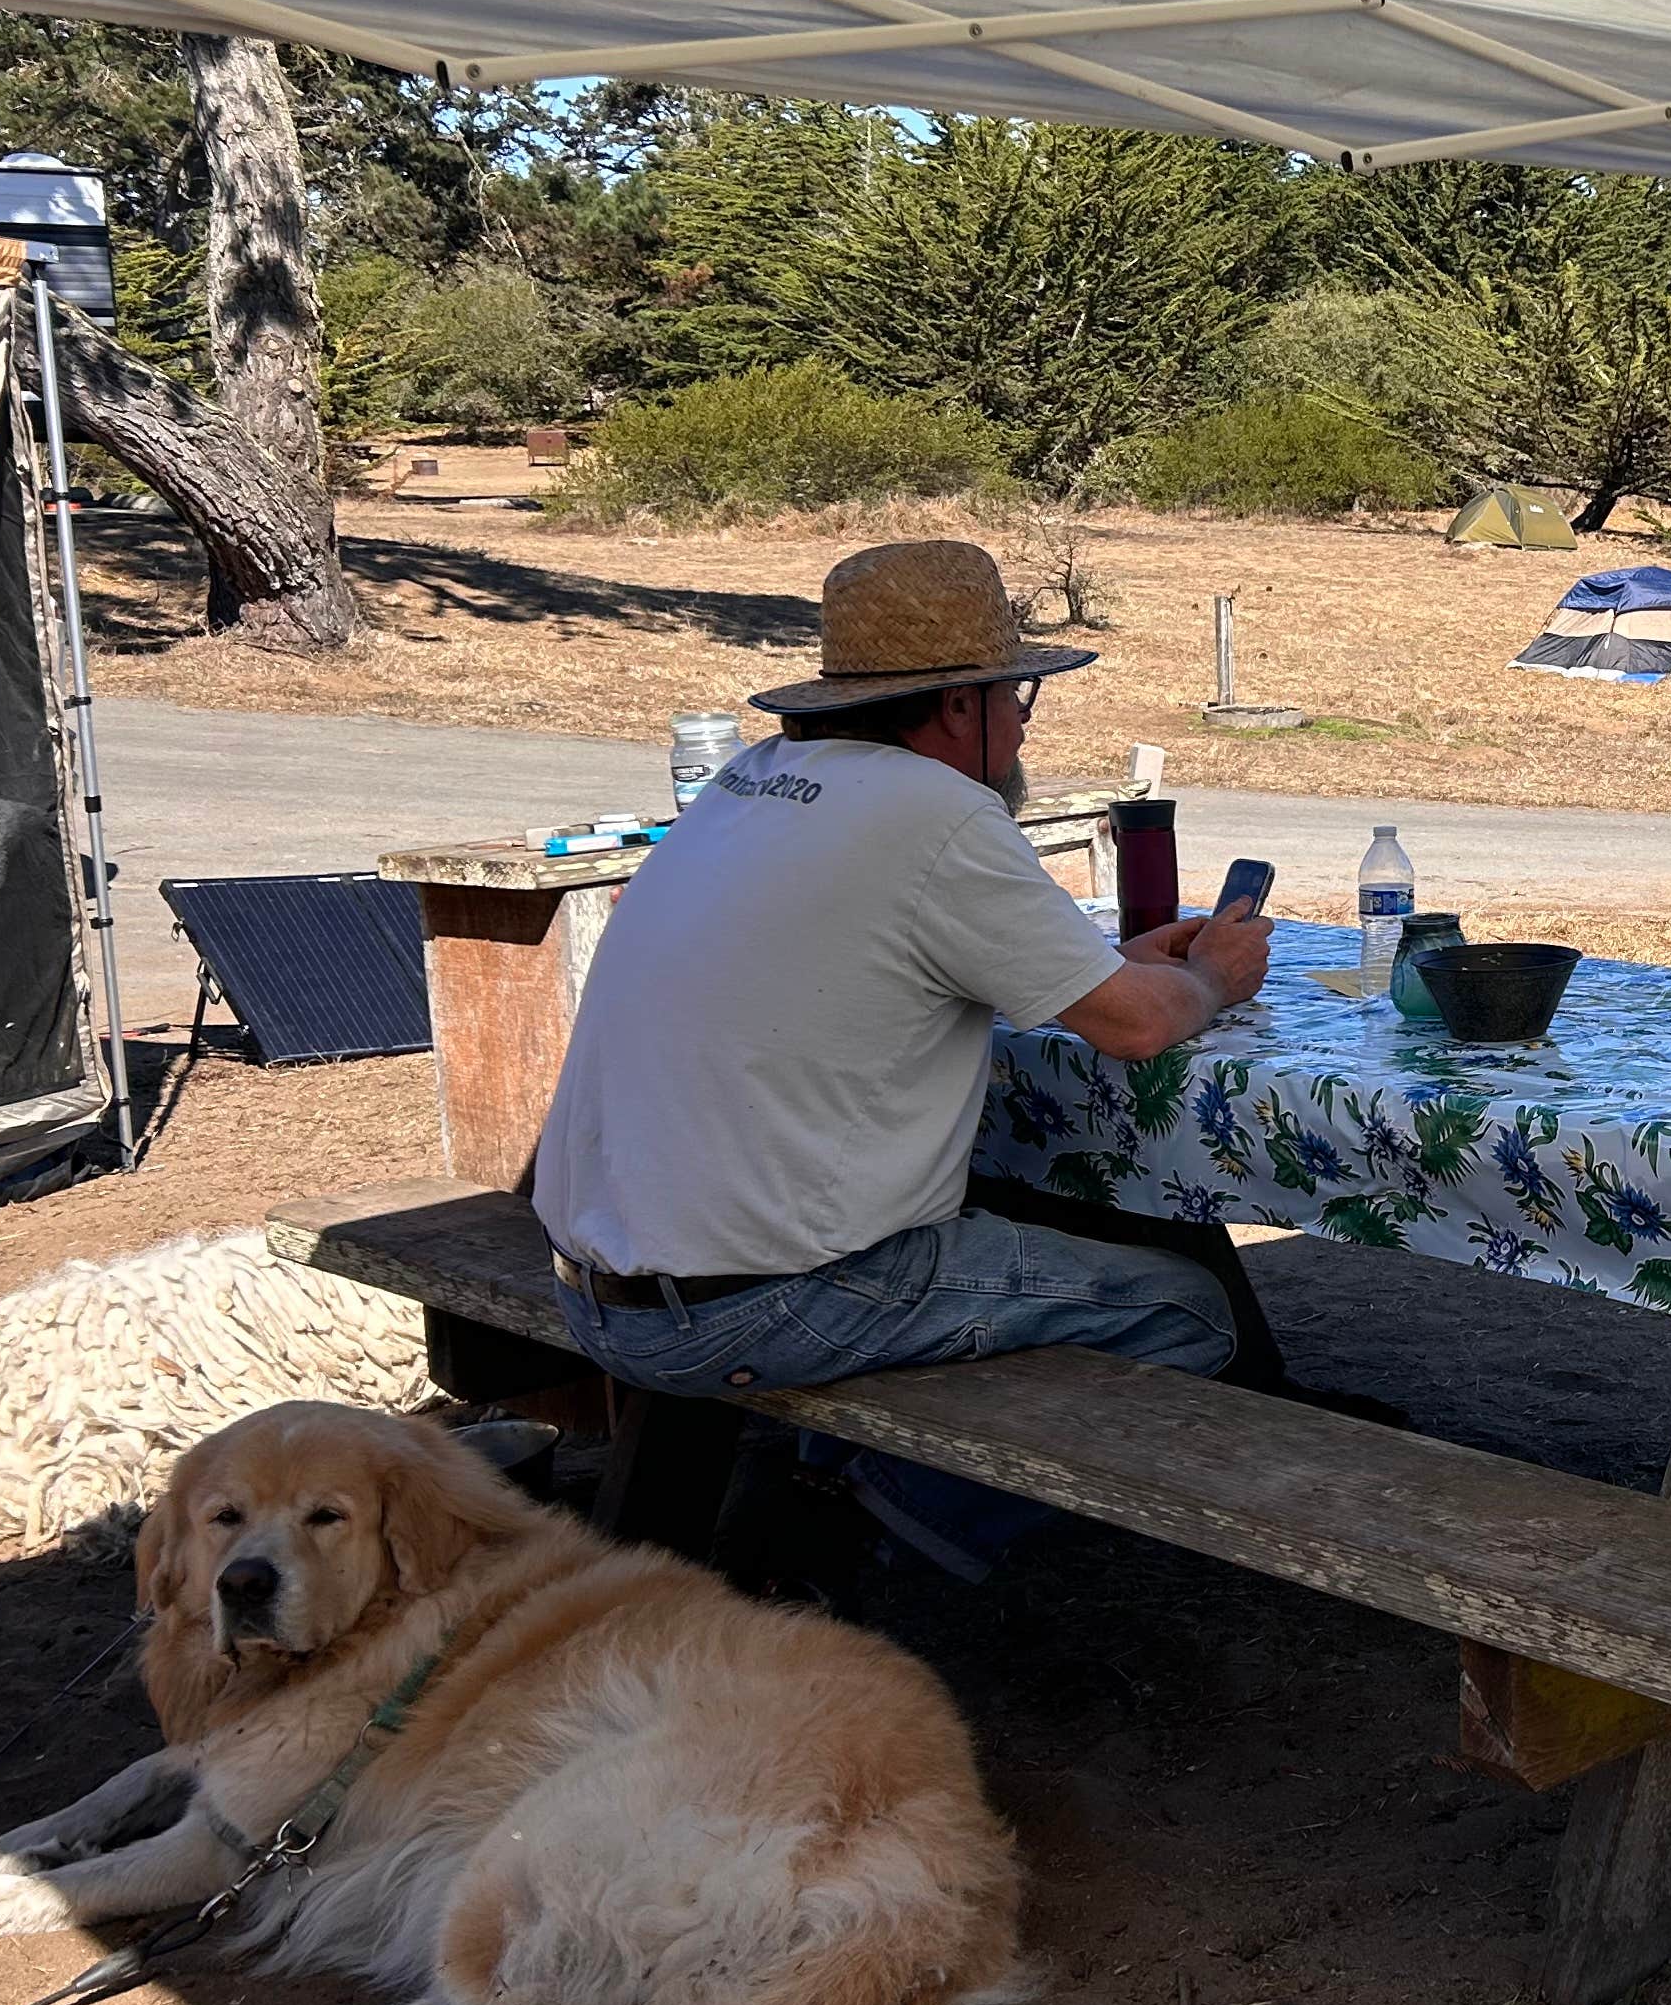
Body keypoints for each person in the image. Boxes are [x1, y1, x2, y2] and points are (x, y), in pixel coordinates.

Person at [533, 539, 1273, 1583]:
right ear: (958, 707)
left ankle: (857, 1468)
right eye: (1017, 698)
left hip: (599, 1278)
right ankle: (872, 1510)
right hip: (754, 1304)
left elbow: (888, 955)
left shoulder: (755, 779)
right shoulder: (939, 814)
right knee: (1190, 1313)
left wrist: (1107, 967)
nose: (1021, 726)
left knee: (1043, 1224)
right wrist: (1215, 977)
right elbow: (1137, 1030)